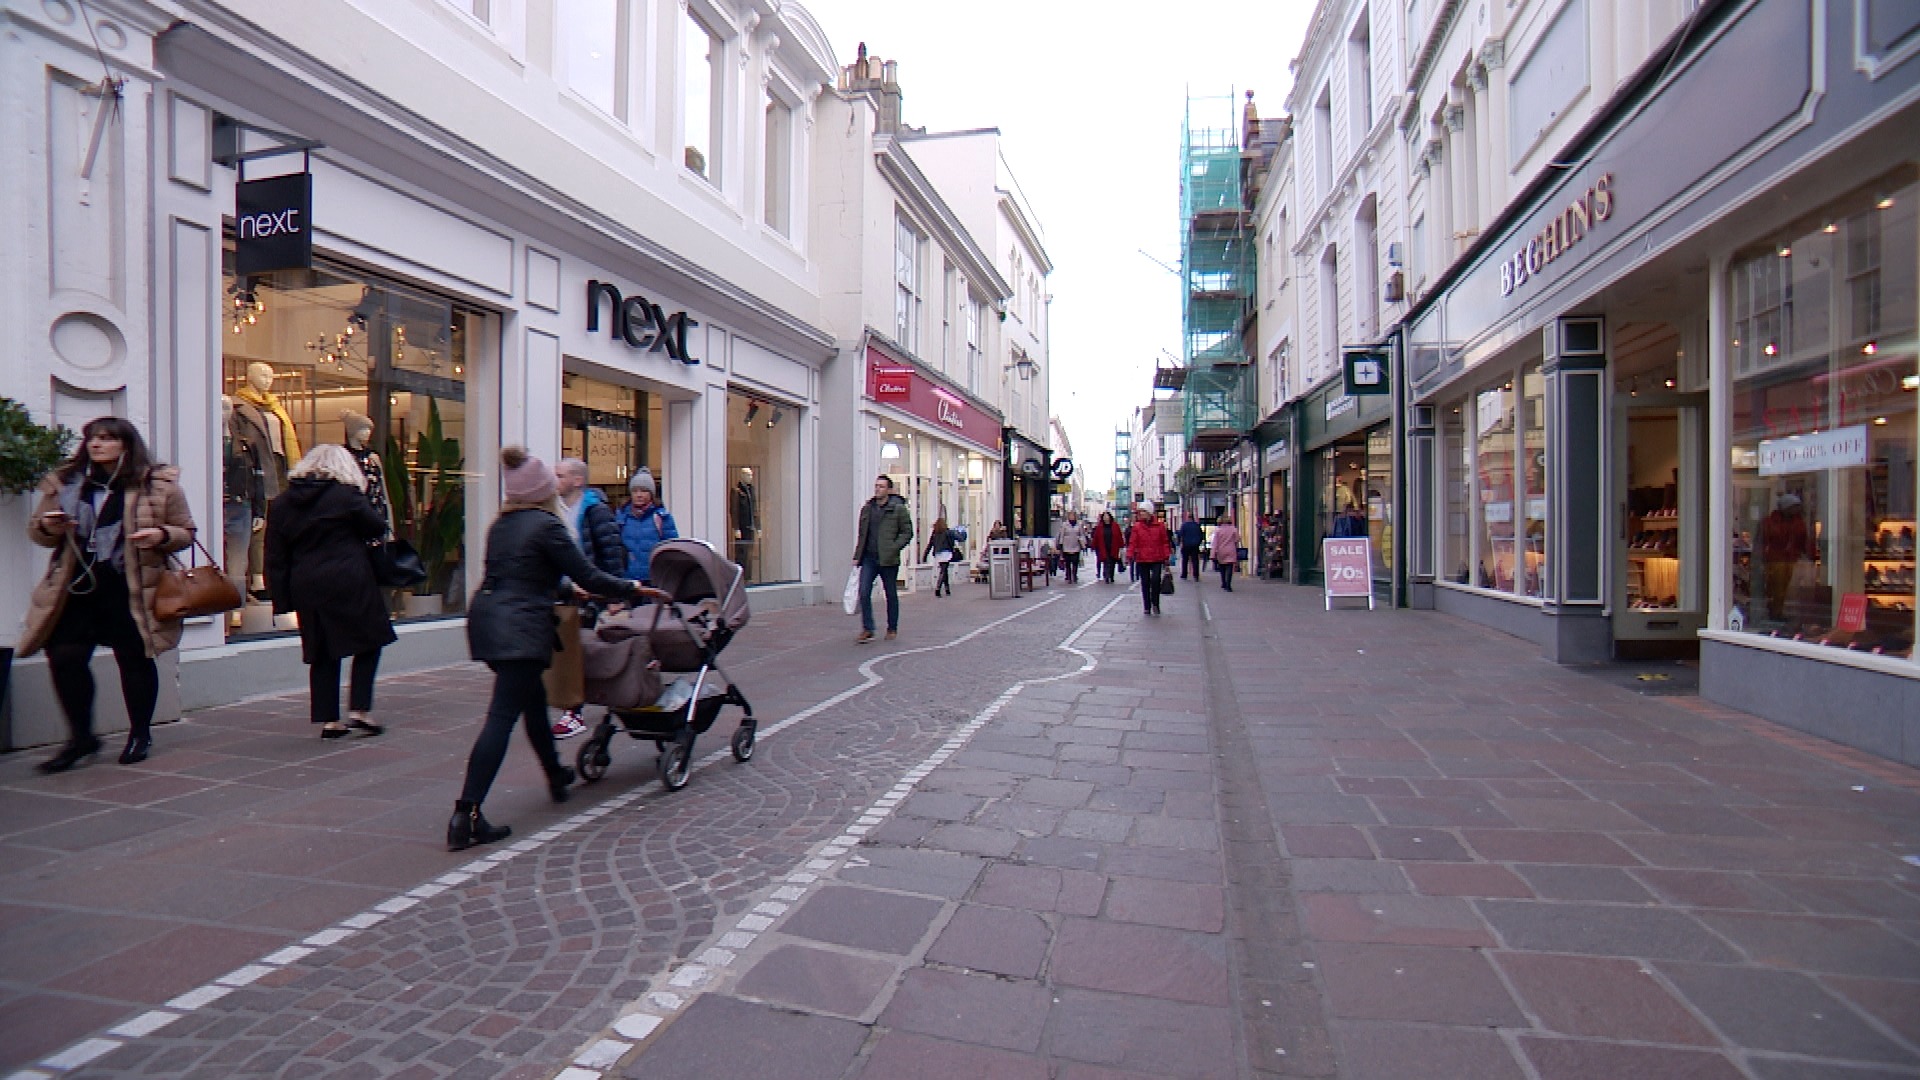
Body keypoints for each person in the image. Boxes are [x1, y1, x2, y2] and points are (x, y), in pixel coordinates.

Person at [453, 447, 651, 851]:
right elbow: (589, 574)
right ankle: (466, 813)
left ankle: (555, 775)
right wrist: (630, 587)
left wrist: (564, 591)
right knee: (502, 716)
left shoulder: (502, 525)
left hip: (489, 621)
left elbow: (522, 573)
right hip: (520, 628)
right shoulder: (547, 525)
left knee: (531, 701)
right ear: (542, 491)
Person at [22, 417, 196, 770]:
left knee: (134, 659)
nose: (96, 444)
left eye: (106, 438)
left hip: (129, 586)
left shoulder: (157, 485)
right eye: (92, 438)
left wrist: (160, 535)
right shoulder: (67, 482)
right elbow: (39, 533)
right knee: (65, 656)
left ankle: (140, 734)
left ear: (125, 444)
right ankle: (81, 738)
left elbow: (186, 532)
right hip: (76, 586)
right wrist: (49, 526)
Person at [264, 445, 397, 739]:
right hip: (349, 578)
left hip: (306, 583)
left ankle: (329, 720)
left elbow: (275, 556)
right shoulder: (346, 496)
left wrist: (281, 601)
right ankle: (360, 708)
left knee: (322, 649)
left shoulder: (282, 503)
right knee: (370, 640)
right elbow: (376, 527)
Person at [552, 458, 626, 740]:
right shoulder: (554, 509)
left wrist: (616, 595)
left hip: (589, 594)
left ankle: (574, 712)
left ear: (577, 480)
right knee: (565, 651)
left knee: (577, 651)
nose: (555, 480)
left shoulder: (596, 510)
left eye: (560, 475)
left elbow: (611, 551)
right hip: (565, 592)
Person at [852, 475, 913, 642]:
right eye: (876, 486)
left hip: (888, 559)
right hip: (869, 558)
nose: (878, 489)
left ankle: (892, 628)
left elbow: (907, 532)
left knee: (890, 594)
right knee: (864, 592)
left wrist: (894, 547)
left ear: (889, 490)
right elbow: (862, 534)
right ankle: (868, 628)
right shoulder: (867, 508)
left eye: (882, 486)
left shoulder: (898, 509)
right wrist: (857, 555)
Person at [615, 468, 678, 585]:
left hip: (654, 578)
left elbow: (671, 548)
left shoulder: (662, 517)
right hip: (627, 578)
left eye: (644, 491)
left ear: (651, 494)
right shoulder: (621, 517)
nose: (639, 495)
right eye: (635, 491)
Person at [1760, 492, 1812, 622]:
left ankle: (1777, 611)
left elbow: (1803, 540)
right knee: (1776, 587)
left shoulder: (1797, 522)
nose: (1796, 510)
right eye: (1794, 507)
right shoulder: (1772, 522)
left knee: (1783, 587)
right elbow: (1764, 540)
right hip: (1776, 559)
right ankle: (1774, 611)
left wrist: (1806, 554)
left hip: (1790, 559)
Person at [1129, 506, 1173, 616]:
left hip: (1157, 557)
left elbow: (1164, 542)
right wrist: (1130, 554)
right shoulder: (1137, 526)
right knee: (1145, 582)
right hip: (1142, 558)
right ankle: (1147, 606)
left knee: (1155, 580)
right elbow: (1133, 542)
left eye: (1143, 511)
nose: (1141, 513)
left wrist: (1166, 556)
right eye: (1140, 512)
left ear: (1149, 512)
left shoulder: (1159, 526)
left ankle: (1155, 603)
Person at [924, 515, 957, 597]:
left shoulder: (935, 533)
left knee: (944, 570)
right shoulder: (947, 532)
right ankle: (938, 588)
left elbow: (930, 544)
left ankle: (947, 589)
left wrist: (925, 554)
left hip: (938, 553)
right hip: (946, 553)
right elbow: (951, 543)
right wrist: (952, 549)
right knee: (943, 570)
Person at [1211, 514, 1243, 592]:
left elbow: (1215, 543)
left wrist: (1212, 554)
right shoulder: (1233, 529)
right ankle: (1228, 585)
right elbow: (1237, 539)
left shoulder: (1218, 530)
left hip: (1221, 551)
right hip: (1231, 550)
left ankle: (1223, 582)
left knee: (1222, 567)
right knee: (1229, 567)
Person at [1090, 511, 1124, 583]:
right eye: (1104, 516)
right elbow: (1096, 537)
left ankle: (1111, 575)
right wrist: (1093, 546)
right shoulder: (1100, 527)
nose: (1106, 518)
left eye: (1107, 516)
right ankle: (1106, 576)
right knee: (1106, 561)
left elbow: (1119, 536)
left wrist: (1121, 545)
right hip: (1103, 547)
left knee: (1112, 562)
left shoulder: (1115, 526)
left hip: (1113, 547)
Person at [1054, 512, 1086, 584]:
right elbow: (1061, 535)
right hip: (1066, 546)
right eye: (1070, 516)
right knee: (1067, 562)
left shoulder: (1079, 524)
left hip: (1076, 545)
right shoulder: (1064, 525)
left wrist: (1083, 543)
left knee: (1075, 562)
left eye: (1073, 516)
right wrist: (1060, 544)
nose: (1072, 517)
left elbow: (1082, 534)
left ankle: (1074, 575)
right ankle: (1068, 576)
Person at [1177, 511, 1205, 581]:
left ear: (1188, 517)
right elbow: (1201, 535)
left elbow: (1180, 535)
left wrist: (1180, 542)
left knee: (1185, 560)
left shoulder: (1184, 525)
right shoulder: (1197, 525)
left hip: (1186, 545)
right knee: (1195, 560)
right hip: (1195, 545)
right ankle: (1196, 575)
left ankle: (1184, 574)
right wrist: (1198, 543)